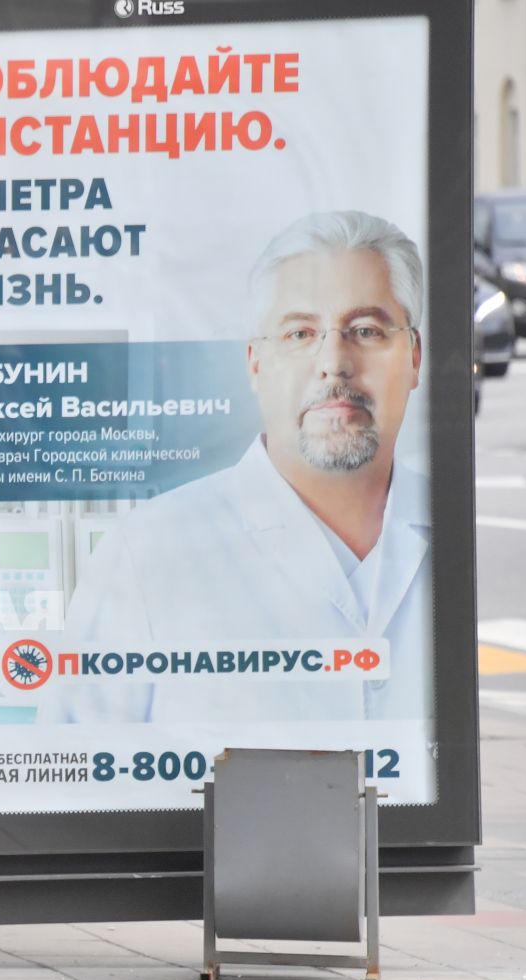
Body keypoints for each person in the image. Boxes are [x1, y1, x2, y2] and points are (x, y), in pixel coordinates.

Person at [51, 210, 431, 725]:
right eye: (299, 334)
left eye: (365, 330)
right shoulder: (147, 551)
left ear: (413, 357)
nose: (334, 361)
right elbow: (81, 777)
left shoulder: (462, 533)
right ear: (255, 363)